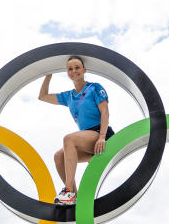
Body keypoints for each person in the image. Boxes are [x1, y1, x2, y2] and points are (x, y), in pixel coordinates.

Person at [38, 55, 114, 205]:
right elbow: (42, 96)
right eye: (70, 69)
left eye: (77, 67)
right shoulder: (69, 96)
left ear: (84, 70)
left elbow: (105, 112)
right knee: (58, 156)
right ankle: (75, 198)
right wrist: (49, 73)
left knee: (69, 139)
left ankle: (68, 191)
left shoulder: (95, 87)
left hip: (101, 135)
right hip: (87, 141)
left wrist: (102, 137)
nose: (74, 71)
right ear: (67, 72)